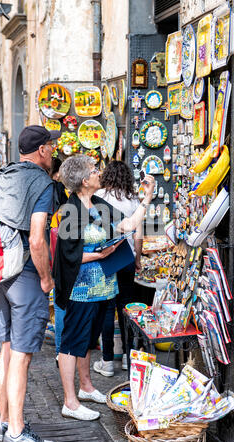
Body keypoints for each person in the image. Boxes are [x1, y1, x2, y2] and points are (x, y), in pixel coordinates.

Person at [0, 125, 61, 442]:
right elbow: (37, 238)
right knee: (22, 356)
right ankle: (17, 433)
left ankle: (4, 421)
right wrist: (46, 278)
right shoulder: (41, 183)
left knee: (7, 349)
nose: (53, 150)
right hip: (24, 273)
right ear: (41, 150)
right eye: (50, 146)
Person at [53, 155, 154, 421]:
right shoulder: (69, 210)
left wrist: (146, 198)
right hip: (81, 290)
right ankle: (70, 402)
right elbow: (66, 256)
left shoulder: (99, 204)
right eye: (95, 170)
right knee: (72, 343)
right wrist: (98, 254)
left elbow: (129, 226)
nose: (100, 173)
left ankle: (85, 388)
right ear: (85, 180)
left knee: (87, 341)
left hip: (104, 287)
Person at [92, 160, 143, 376]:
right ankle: (128, 359)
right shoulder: (133, 199)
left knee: (106, 309)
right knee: (126, 308)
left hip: (107, 259)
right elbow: (138, 235)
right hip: (127, 260)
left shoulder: (99, 196)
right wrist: (137, 258)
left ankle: (107, 362)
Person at [49, 155, 68, 366]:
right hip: (61, 253)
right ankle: (64, 350)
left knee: (59, 303)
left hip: (50, 252)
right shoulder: (60, 191)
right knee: (63, 304)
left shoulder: (44, 188)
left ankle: (60, 351)